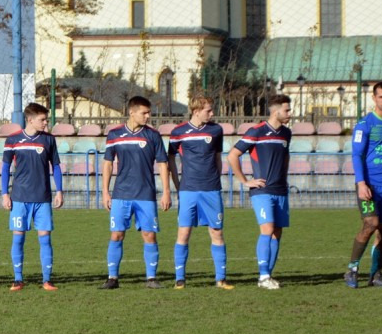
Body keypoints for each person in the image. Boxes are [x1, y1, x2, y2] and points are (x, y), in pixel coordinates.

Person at [100, 95, 171, 290]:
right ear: (131, 112)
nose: (148, 116)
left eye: (149, 113)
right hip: (121, 194)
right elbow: (107, 164)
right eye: (144, 113)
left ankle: (151, 278)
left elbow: (162, 164)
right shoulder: (114, 134)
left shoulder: (153, 135)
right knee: (117, 235)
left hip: (146, 194)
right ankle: (112, 278)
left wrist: (166, 191)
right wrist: (105, 192)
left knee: (149, 235)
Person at [167, 96, 233, 290]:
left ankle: (221, 279)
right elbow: (170, 158)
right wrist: (177, 184)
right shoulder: (178, 132)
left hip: (211, 190)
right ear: (196, 111)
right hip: (188, 190)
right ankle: (180, 279)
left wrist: (215, 180)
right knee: (184, 232)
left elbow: (218, 158)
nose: (212, 113)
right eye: (208, 110)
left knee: (217, 232)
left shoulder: (216, 130)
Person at [227, 94, 293, 290]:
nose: (290, 113)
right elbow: (232, 155)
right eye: (287, 110)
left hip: (280, 190)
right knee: (267, 229)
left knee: (277, 232)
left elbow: (286, 156)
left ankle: (268, 275)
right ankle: (263, 276)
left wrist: (284, 178)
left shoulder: (286, 133)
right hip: (262, 190)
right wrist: (245, 181)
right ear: (275, 111)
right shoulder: (256, 131)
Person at [344, 81, 382, 288]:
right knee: (371, 223)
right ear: (374, 98)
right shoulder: (365, 124)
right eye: (381, 97)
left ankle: (376, 275)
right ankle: (351, 270)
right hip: (368, 184)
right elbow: (357, 155)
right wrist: (361, 183)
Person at [1, 103, 63, 291]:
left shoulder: (49, 140)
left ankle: (47, 280)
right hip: (19, 198)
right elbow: (5, 168)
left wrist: (59, 190)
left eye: (46, 119)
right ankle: (18, 279)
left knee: (45, 239)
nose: (46, 123)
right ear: (30, 119)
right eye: (42, 120)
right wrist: (4, 194)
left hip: (43, 198)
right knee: (18, 239)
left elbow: (56, 166)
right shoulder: (13, 140)